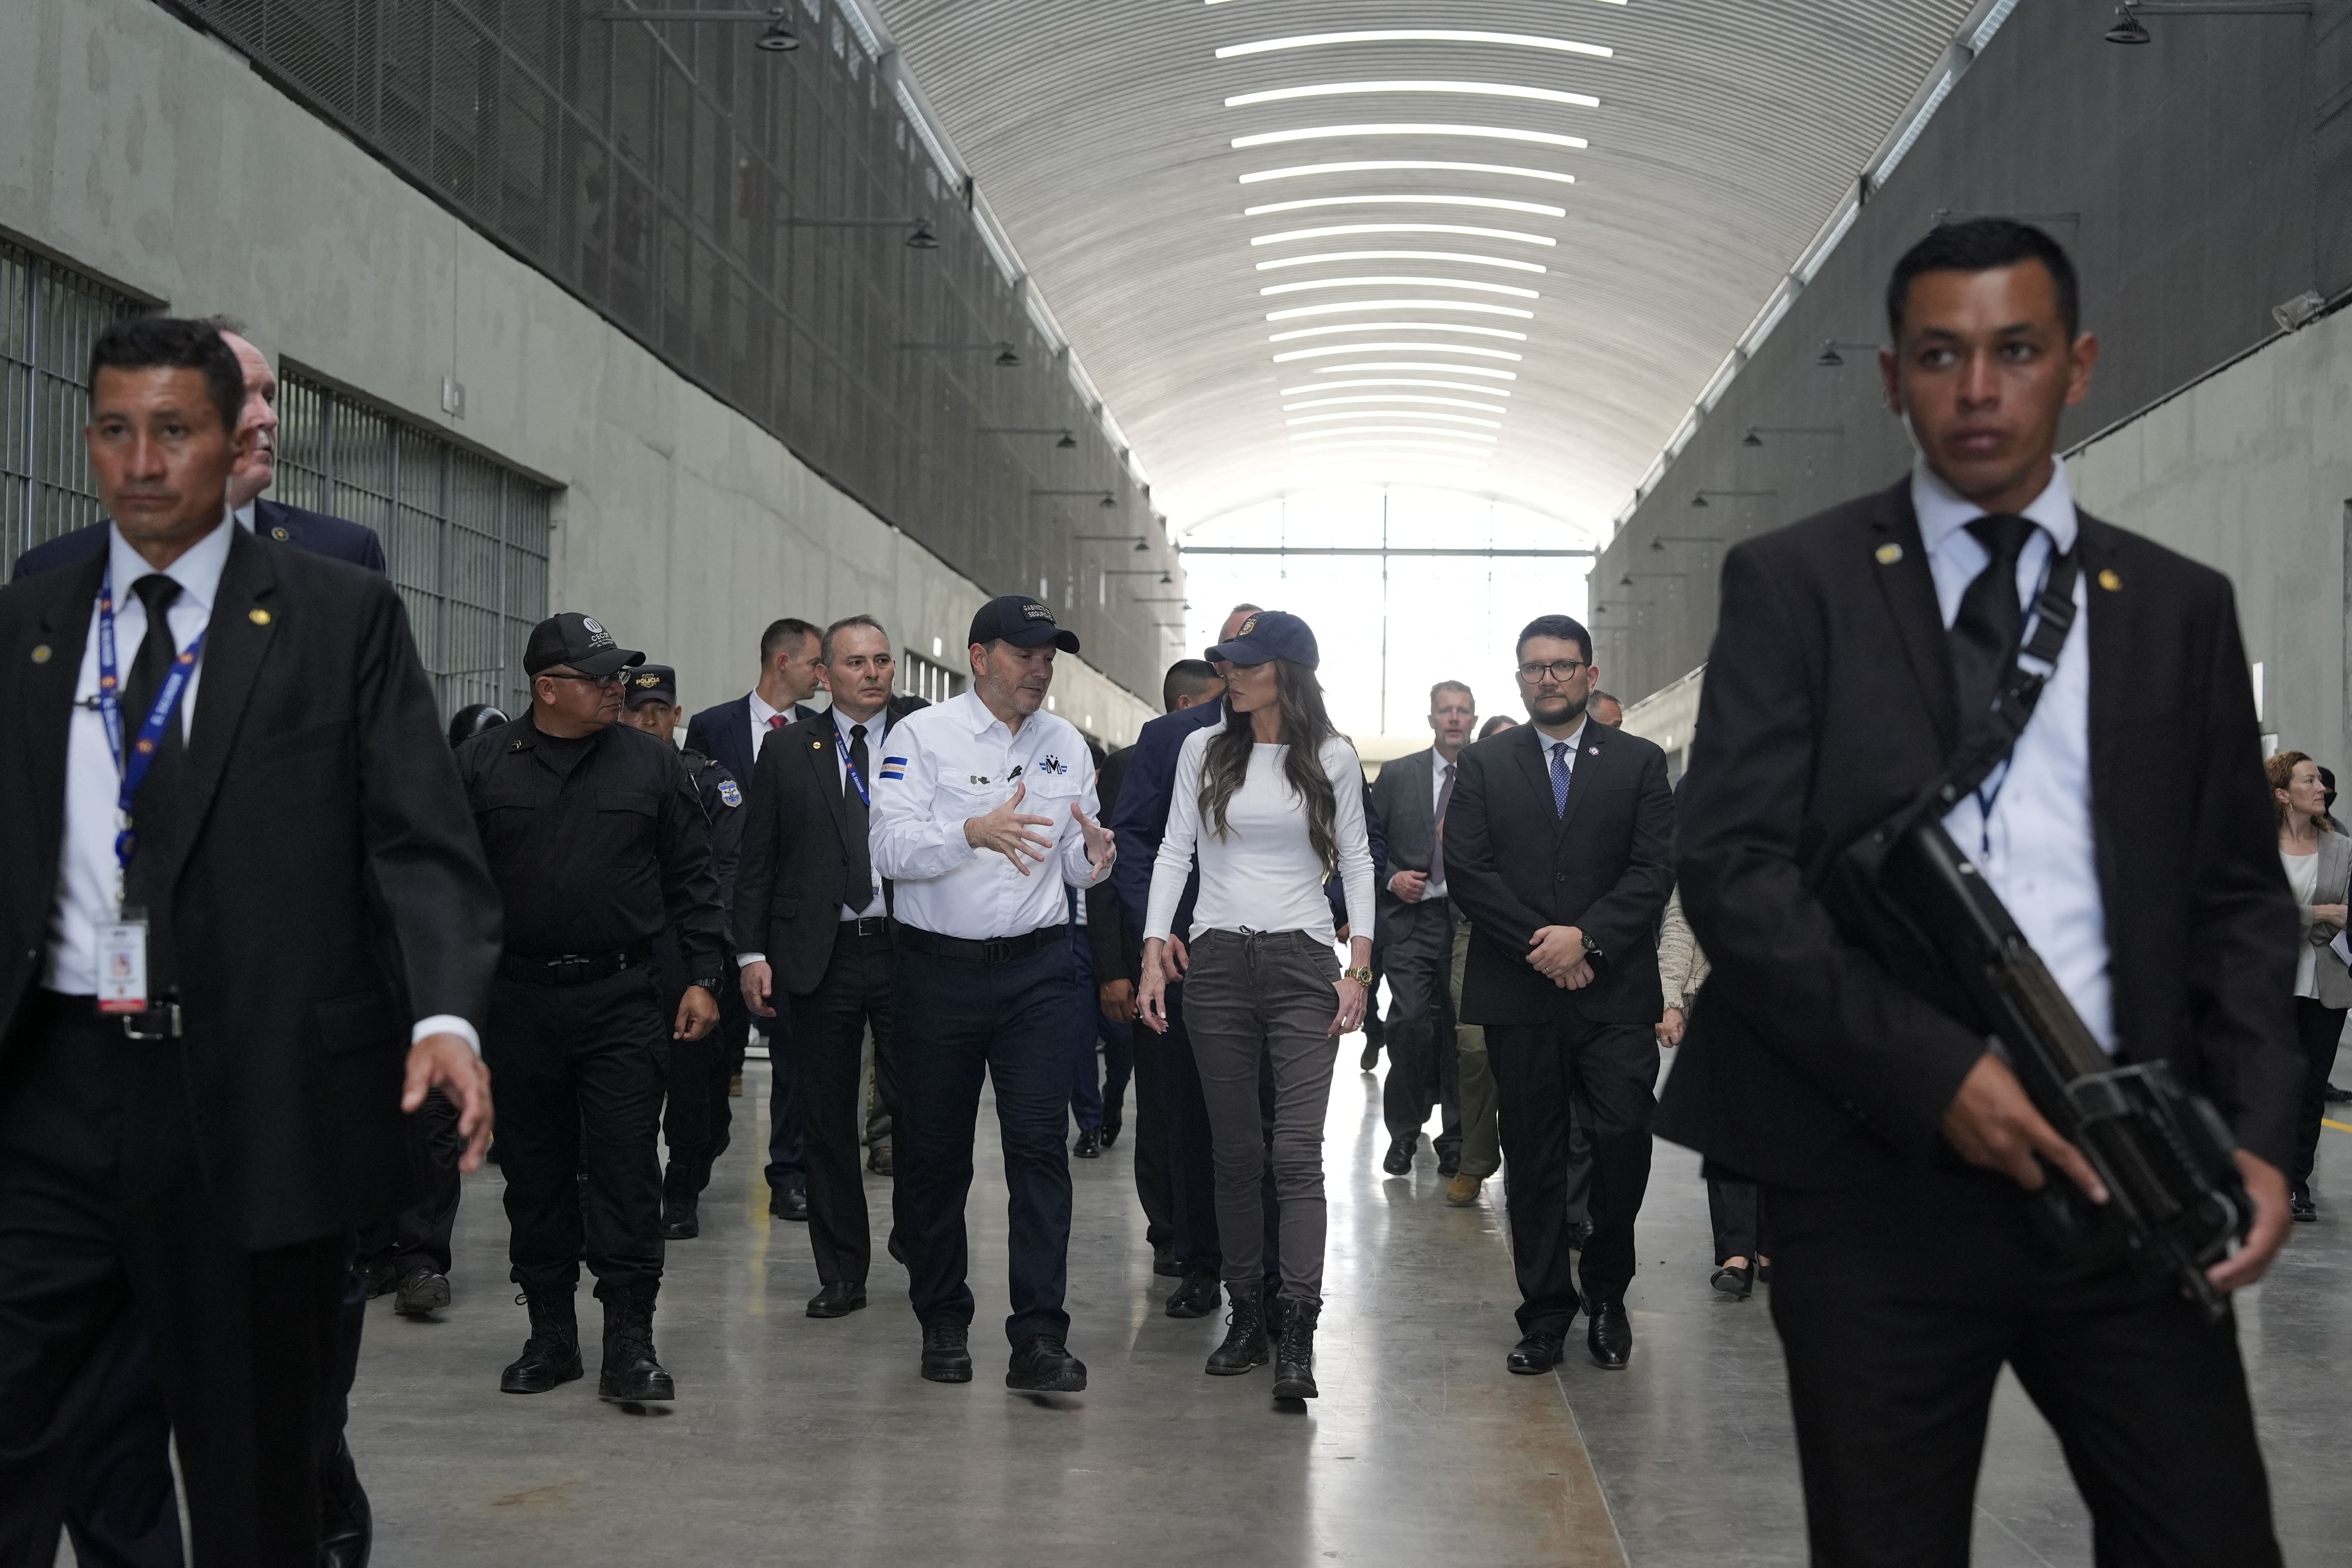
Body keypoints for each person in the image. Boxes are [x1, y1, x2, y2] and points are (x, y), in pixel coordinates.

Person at [1661, 219, 2300, 1564]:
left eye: (2015, 352)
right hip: (1874, 1184)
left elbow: (2241, 899)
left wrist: (2258, 1134)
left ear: (2077, 365)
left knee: (2208, 1536)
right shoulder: (1799, 586)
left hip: (2129, 1170)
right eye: (1943, 357)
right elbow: (1734, 871)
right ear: (1895, 379)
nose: (1980, 391)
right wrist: (1933, 1071)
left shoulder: (2175, 605)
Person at [0, 315, 498, 1565]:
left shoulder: (339, 616)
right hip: (50, 1087)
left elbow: (417, 840)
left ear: (233, 443)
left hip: (252, 1094)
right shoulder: (35, 609)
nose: (143, 460)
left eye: (174, 430)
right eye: (116, 429)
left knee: (256, 1473)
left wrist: (443, 1015)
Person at [454, 613, 727, 1405]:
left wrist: (704, 973)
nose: (617, 688)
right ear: (546, 688)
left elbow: (694, 878)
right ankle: (551, 1335)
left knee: (624, 1169)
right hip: (519, 1001)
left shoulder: (651, 766)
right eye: (598, 677)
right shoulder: (481, 768)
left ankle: (630, 1341)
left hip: (624, 1000)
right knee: (535, 1173)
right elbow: (449, 887)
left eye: (618, 676)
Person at [870, 595, 1117, 1390]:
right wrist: (969, 831)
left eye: (1050, 655)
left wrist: (1095, 856)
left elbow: (1071, 867)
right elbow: (891, 846)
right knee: (937, 1154)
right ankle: (943, 1315)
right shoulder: (921, 737)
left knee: (1040, 1151)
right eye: (1024, 653)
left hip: (1039, 973)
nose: (1041, 668)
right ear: (980, 657)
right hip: (937, 971)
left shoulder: (1065, 744)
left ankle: (1039, 1336)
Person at [1139, 611, 1375, 1401]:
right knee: (1235, 1153)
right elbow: (1175, 847)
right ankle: (1246, 1312)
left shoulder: (1331, 756)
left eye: (1245, 664)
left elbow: (1361, 860)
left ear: (1289, 672)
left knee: (1297, 1153)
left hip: (1303, 963)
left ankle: (1298, 1325)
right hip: (1217, 966)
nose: (1229, 675)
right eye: (1226, 664)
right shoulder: (1202, 748)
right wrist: (1151, 947)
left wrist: (1360, 967)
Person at [1444, 613, 1674, 1374]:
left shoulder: (1639, 763)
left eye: (1563, 665)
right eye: (1535, 667)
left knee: (1620, 1139)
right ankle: (1545, 1309)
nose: (1549, 678)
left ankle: (1608, 1292)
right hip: (1522, 990)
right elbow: (1471, 870)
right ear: (1519, 678)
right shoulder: (1485, 764)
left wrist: (1590, 939)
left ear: (1590, 674)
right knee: (1535, 1155)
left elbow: (1653, 869)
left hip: (1615, 994)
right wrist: (1546, 944)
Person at [735, 615, 927, 1317]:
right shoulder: (790, 751)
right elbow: (759, 859)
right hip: (820, 954)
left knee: (919, 1108)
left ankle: (919, 1235)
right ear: (825, 676)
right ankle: (843, 1269)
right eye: (856, 662)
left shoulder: (921, 740)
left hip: (911, 948)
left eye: (883, 660)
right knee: (826, 1119)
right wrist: (752, 952)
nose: (873, 673)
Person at [686, 616, 825, 1223]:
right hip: (720, 923)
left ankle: (789, 1174)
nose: (824, 675)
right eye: (818, 663)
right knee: (712, 1059)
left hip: (787, 925)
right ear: (783, 663)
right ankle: (692, 1165)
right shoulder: (714, 727)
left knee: (794, 1055)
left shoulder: (818, 736)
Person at [1090, 659, 1225, 1274]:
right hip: (1158, 960)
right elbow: (1112, 868)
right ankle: (1169, 1231)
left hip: (1229, 953)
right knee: (1165, 1101)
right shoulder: (1134, 762)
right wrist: (1116, 967)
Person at [620, 665, 746, 1241]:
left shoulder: (705, 780)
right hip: (625, 944)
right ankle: (633, 1186)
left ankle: (683, 1184)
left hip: (689, 944)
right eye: (637, 711)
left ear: (676, 716)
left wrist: (710, 953)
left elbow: (727, 869)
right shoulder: (605, 774)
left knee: (696, 1079)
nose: (649, 721)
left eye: (659, 711)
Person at [1369, 681, 1476, 1180]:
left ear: (1473, 719)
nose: (1454, 719)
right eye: (1445, 711)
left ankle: (1454, 1138)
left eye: (1462, 711)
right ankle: (1403, 1133)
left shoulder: (1488, 774)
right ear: (1432, 719)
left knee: (1461, 1031)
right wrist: (1391, 876)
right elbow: (1366, 843)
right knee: (1410, 1024)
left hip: (1468, 925)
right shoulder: (1397, 775)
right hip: (1410, 921)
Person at [1656, 891, 1757, 1296]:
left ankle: (1770, 1241)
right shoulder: (1716, 831)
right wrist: (1670, 997)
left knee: (1786, 1119)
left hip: (1802, 988)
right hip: (1724, 990)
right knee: (1731, 1122)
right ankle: (1738, 1251)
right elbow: (1682, 919)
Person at [2269, 750, 2349, 1223]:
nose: (2323, 788)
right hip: (2269, 980)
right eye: (2311, 781)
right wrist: (2317, 914)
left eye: (2321, 781)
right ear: (2283, 794)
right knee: (2269, 1085)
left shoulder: (2342, 847)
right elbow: (2255, 917)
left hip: (2326, 983)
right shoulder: (2255, 848)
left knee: (2311, 1088)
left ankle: (2296, 1183)